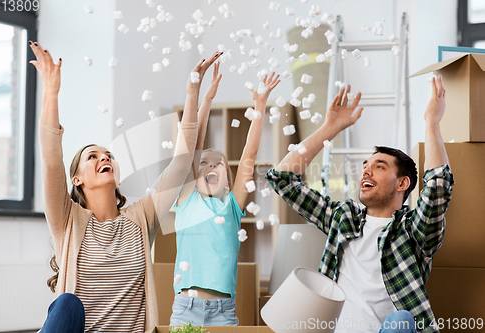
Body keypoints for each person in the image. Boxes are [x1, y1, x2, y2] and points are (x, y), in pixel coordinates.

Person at [29, 40, 221, 332]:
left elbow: (181, 164)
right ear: (77, 179)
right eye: (92, 157)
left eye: (108, 155)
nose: (104, 157)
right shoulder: (67, 221)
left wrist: (192, 94)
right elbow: (51, 161)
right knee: (66, 303)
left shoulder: (142, 217)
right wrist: (51, 91)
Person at [265, 76, 453, 333]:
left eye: (379, 167)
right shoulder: (344, 217)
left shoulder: (413, 231)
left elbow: (437, 189)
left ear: (402, 184)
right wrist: (329, 129)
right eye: (365, 166)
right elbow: (283, 180)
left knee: (402, 320)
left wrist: (432, 123)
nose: (366, 172)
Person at [169, 68, 281, 327]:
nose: (210, 166)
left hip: (224, 312)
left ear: (229, 183)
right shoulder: (187, 201)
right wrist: (205, 101)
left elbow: (248, 156)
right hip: (187, 308)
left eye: (218, 164)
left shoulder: (231, 206)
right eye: (204, 164)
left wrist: (260, 105)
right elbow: (192, 147)